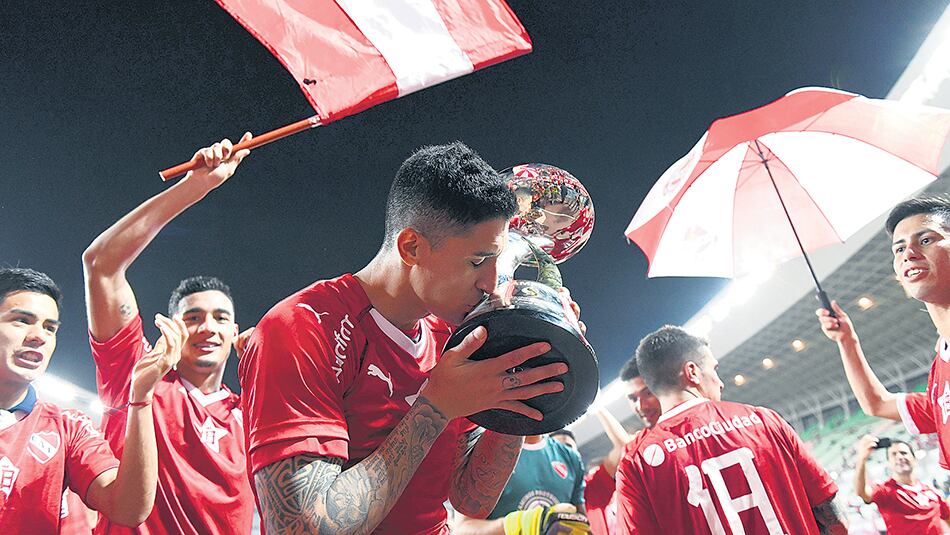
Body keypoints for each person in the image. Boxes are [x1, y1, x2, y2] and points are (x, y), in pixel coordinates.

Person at [241, 141, 578, 534]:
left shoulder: (452, 335)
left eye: (496, 260)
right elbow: (299, 528)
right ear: (412, 247)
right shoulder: (302, 327)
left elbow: (471, 497)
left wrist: (519, 381)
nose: (491, 283)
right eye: (476, 261)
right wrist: (435, 407)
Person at [82, 135, 255, 534]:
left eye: (219, 318)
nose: (207, 327)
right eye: (192, 317)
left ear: (234, 332)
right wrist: (196, 186)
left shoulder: (252, 413)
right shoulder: (134, 375)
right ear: (173, 324)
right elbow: (100, 264)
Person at [615, 325, 848, 534]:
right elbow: (835, 518)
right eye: (714, 369)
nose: (720, 381)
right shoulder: (764, 420)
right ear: (693, 372)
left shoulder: (636, 461)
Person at [0, 268, 181, 533]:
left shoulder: (68, 428)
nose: (39, 336)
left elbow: (128, 508)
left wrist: (141, 395)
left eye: (50, 328)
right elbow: (99, 263)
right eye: (22, 320)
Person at [817, 196, 950, 479]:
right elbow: (876, 403)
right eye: (899, 248)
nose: (908, 253)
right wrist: (847, 341)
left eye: (925, 240)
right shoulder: (941, 371)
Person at [453, 433, 589, 534]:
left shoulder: (570, 457)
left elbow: (582, 522)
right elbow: (462, 528)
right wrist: (517, 524)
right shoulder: (485, 449)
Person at [584, 358, 661, 535]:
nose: (640, 405)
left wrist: (598, 408)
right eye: (633, 398)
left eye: (647, 393)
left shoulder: (593, 489)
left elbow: (623, 446)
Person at [853, 435, 950, 533]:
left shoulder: (933, 493)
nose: (899, 457)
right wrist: (862, 459)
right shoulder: (884, 491)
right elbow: (862, 492)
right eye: (894, 454)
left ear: (914, 459)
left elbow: (948, 518)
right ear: (888, 463)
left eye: (904, 453)